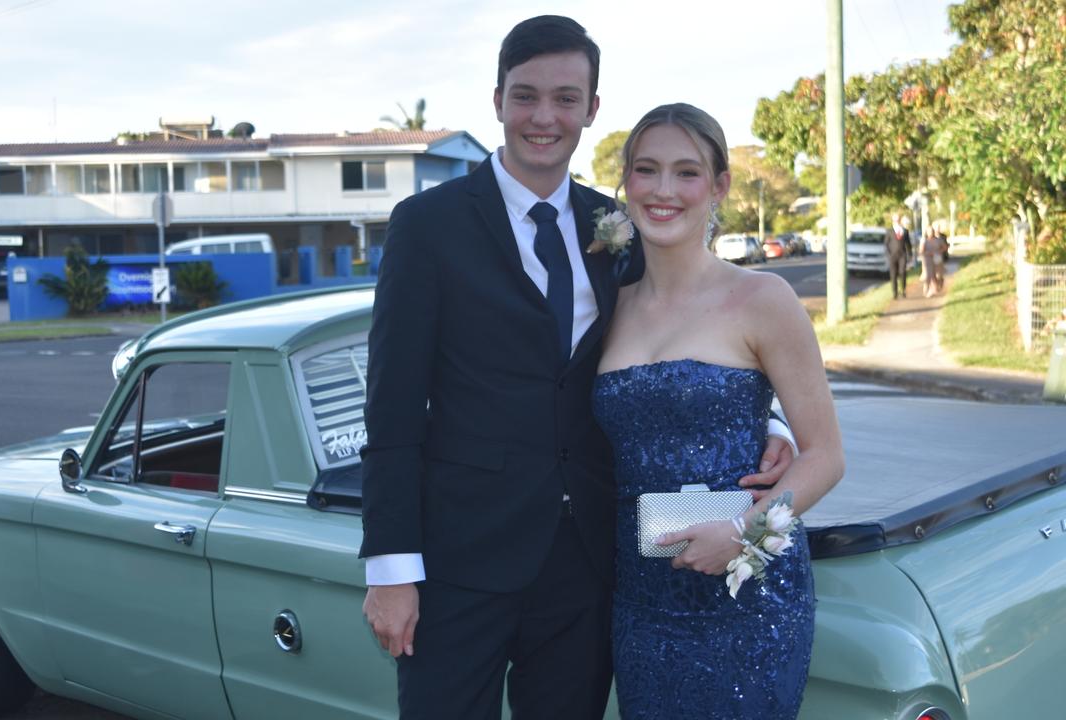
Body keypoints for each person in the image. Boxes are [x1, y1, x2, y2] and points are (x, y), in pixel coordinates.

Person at [359, 17, 797, 720]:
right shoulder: (426, 226)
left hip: (588, 565)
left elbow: (672, 338)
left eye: (566, 98)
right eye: (525, 95)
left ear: (592, 110)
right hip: (459, 565)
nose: (544, 116)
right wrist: (390, 570)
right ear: (497, 99)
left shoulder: (615, 228)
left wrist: (767, 419)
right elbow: (392, 410)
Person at [594, 103, 844, 720]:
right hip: (641, 601)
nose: (664, 190)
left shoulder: (763, 298)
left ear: (719, 185)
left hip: (748, 603)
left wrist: (743, 535)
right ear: (625, 181)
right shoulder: (607, 304)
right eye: (647, 171)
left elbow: (827, 457)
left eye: (687, 172)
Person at [888, 212, 912, 298]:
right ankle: (895, 292)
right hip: (892, 256)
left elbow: (908, 244)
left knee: (902, 272)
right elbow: (886, 244)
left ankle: (903, 290)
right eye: (895, 220)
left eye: (898, 220)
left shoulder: (905, 231)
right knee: (893, 274)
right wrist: (888, 255)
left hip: (902, 255)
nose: (896, 221)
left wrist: (910, 255)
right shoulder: (889, 231)